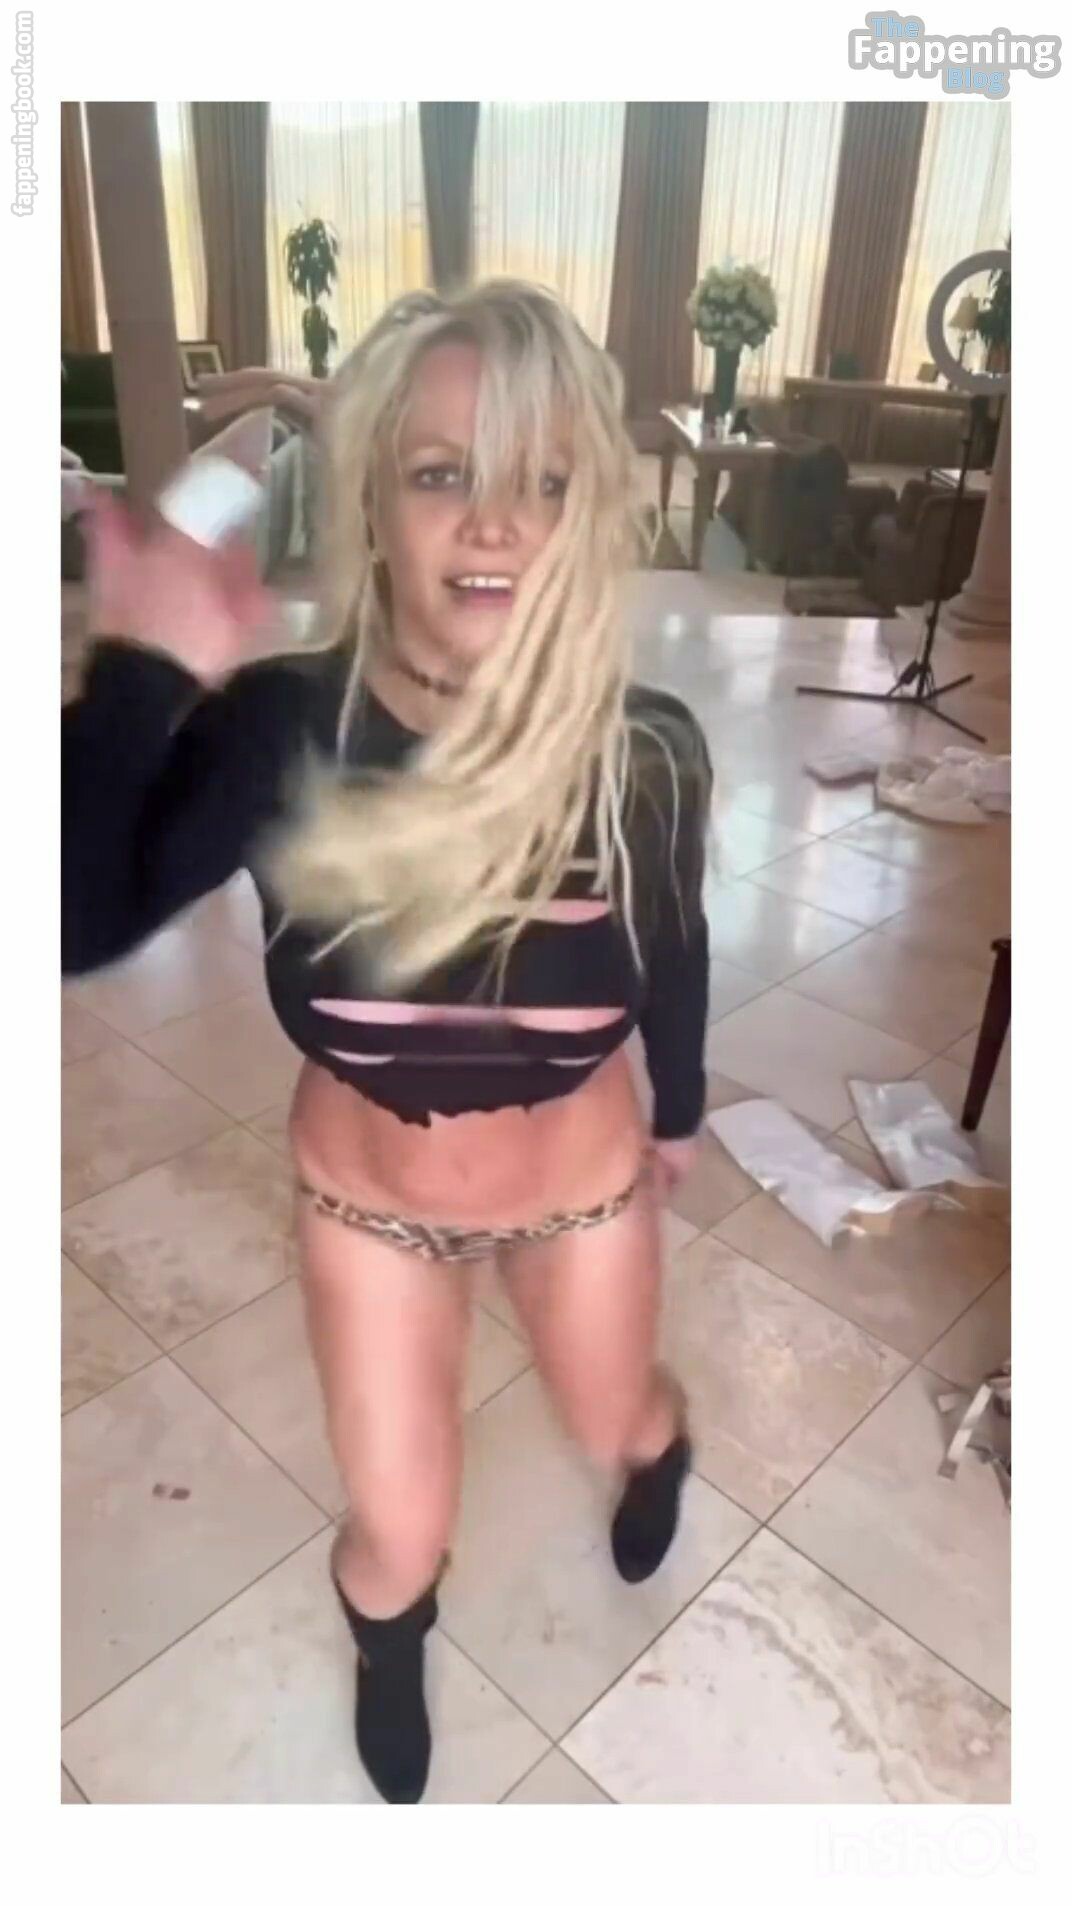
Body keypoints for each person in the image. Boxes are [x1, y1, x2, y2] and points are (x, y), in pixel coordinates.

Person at [62, 280, 713, 1805]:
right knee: (398, 1529)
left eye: (541, 481)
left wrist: (679, 1107)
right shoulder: (285, 731)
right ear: (374, 501)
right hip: (371, 1208)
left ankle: (655, 1445)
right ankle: (389, 1637)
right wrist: (139, 670)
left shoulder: (647, 751)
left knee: (617, 1410)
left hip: (582, 1189)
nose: (493, 522)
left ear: (586, 518)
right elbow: (68, 916)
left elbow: (675, 945)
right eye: (442, 473)